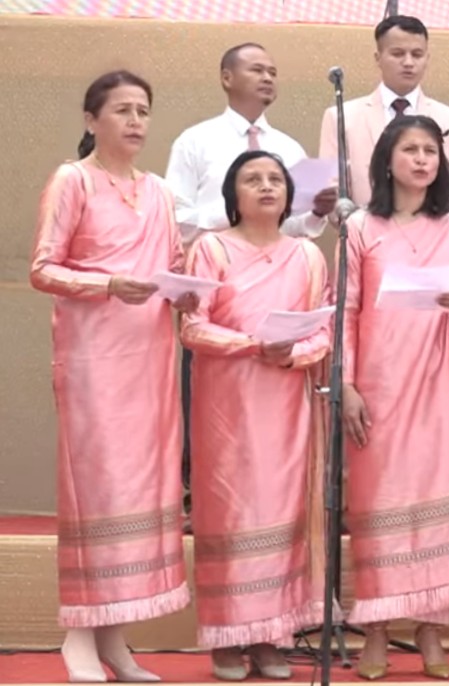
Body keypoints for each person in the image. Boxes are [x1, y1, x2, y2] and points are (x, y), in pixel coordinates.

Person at [31, 69, 198, 683]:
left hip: (151, 360)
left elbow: (173, 266)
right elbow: (44, 269)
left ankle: (115, 636)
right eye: (122, 110)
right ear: (90, 118)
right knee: (96, 488)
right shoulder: (73, 179)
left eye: (143, 111)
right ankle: (77, 630)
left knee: (141, 491)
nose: (135, 122)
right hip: (93, 361)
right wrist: (108, 284)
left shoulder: (158, 191)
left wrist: (186, 294)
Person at [339, 115, 449, 680]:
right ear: (387, 160)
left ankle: (430, 629)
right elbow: (346, 310)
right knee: (382, 504)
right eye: (411, 150)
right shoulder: (360, 229)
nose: (422, 160)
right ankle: (376, 628)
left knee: (436, 503)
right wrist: (347, 384)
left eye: (430, 151)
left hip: (437, 383)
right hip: (377, 384)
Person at [180, 151, 331, 681]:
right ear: (232, 194)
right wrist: (251, 344)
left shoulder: (308, 256)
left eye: (275, 179)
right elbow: (191, 328)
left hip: (287, 403)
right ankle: (228, 636)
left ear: (290, 194)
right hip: (228, 405)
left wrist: (290, 354)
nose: (266, 187)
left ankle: (271, 635)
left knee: (281, 511)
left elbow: (324, 331)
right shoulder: (211, 249)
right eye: (253, 179)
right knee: (231, 510)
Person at [166, 43, 335, 244]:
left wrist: (316, 212)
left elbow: (292, 227)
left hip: (275, 266)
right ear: (227, 78)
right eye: (257, 70)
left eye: (272, 73)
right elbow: (175, 218)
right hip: (213, 263)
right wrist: (236, 214)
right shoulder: (194, 141)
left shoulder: (290, 148)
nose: (267, 78)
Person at [320, 15, 449, 215]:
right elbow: (331, 191)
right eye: (398, 53)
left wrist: (433, 227)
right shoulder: (341, 116)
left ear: (427, 59)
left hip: (435, 238)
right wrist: (365, 227)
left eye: (417, 54)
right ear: (378, 58)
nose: (408, 62)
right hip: (365, 236)